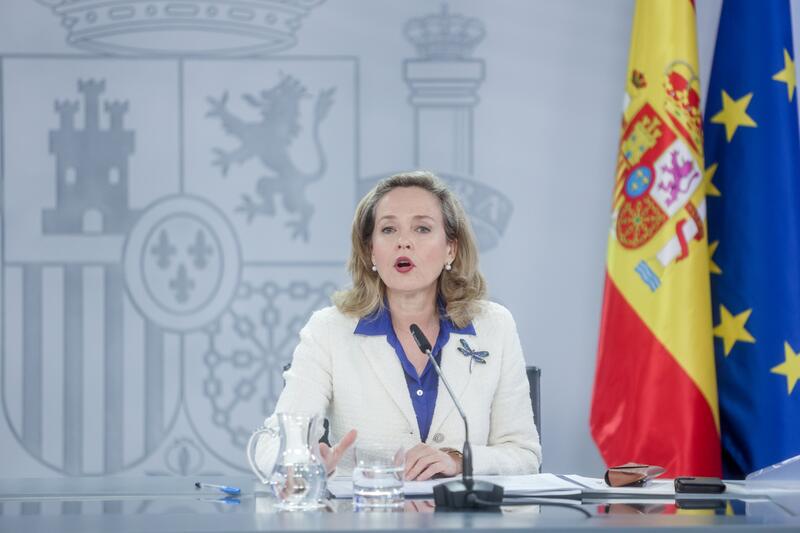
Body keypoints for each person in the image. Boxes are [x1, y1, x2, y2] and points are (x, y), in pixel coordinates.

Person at [254, 170, 541, 480]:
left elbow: (524, 453)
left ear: (451, 249)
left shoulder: (494, 326)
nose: (404, 242)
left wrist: (459, 460)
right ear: (370, 250)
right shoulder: (329, 330)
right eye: (389, 229)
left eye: (422, 228)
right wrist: (300, 466)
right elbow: (273, 443)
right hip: (365, 507)